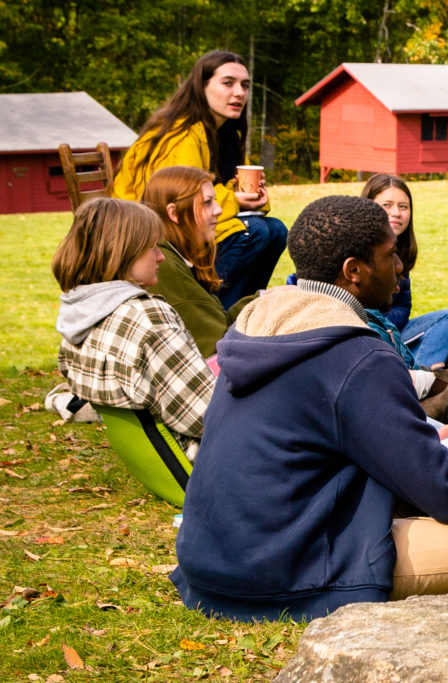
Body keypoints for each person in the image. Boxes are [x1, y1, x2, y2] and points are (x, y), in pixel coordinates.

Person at [170, 195, 448, 621]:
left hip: (212, 561)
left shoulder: (259, 328)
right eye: (390, 256)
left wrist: (421, 439)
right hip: (284, 576)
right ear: (354, 270)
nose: (400, 268)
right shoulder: (356, 357)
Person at [112, 50, 287, 309]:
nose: (239, 93)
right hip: (154, 228)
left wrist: (250, 195)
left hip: (193, 221)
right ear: (201, 86)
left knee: (276, 231)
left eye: (245, 86)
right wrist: (236, 200)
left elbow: (226, 187)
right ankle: (212, 311)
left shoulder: (227, 133)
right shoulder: (183, 134)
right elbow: (182, 201)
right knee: (255, 233)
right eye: (228, 83)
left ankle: (243, 311)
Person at [52, 198, 214, 459]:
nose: (161, 256)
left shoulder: (79, 314)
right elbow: (209, 416)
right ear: (120, 252)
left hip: (164, 464)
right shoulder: (146, 317)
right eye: (151, 248)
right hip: (210, 464)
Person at [141, 165, 254, 358]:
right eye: (207, 203)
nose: (218, 210)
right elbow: (217, 350)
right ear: (174, 213)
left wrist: (263, 299)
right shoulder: (164, 266)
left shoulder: (171, 252)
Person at [361, 173, 448, 368]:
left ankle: (420, 365)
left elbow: (403, 308)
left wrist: (388, 323)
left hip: (392, 332)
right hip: (362, 336)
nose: (396, 213)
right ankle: (423, 373)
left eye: (403, 206)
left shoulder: (400, 252)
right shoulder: (354, 249)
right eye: (387, 205)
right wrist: (380, 322)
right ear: (368, 206)